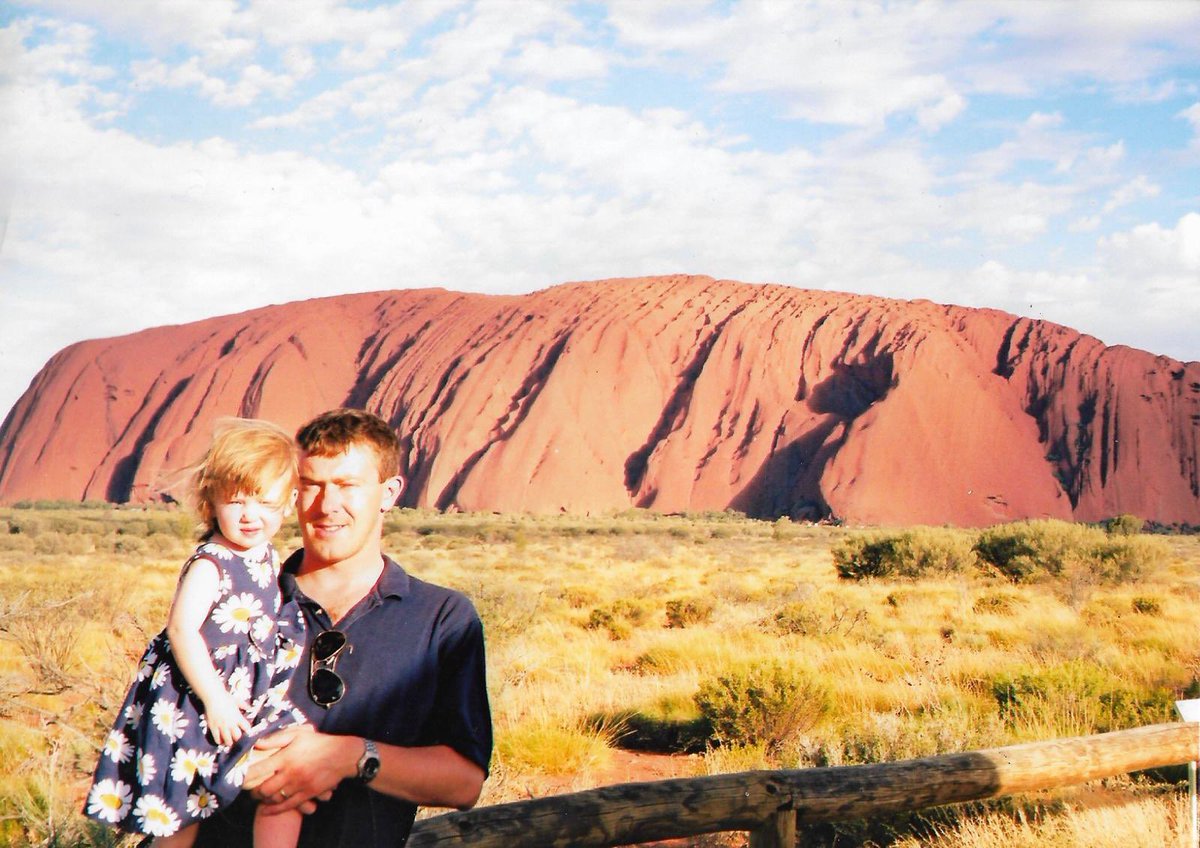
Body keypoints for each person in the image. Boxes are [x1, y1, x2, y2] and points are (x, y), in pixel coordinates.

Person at [194, 408, 493, 848]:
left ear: (388, 492)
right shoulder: (232, 599)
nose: (326, 505)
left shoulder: (440, 617)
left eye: (347, 485)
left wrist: (348, 756)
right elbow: (165, 721)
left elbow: (464, 781)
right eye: (310, 485)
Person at [84, 418, 308, 847]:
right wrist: (216, 700)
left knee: (285, 780)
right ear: (213, 499)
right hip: (195, 701)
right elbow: (183, 630)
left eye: (264, 501)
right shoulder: (213, 563)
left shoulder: (265, 554)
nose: (249, 514)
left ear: (289, 501)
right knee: (181, 810)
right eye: (237, 500)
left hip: (244, 698)